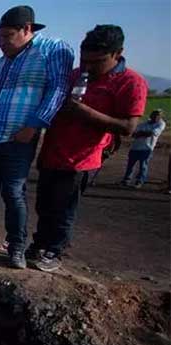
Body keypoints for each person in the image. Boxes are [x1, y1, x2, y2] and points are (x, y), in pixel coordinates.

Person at [28, 25, 147, 272]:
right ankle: (40, 243)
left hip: (81, 158)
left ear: (117, 54)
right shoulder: (74, 76)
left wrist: (86, 113)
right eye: (85, 60)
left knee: (64, 206)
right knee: (45, 203)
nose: (89, 66)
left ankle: (54, 250)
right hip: (53, 150)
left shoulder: (130, 83)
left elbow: (128, 127)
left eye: (97, 61)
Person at [0, 5, 74, 269]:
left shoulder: (52, 50)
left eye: (8, 36)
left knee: (13, 193)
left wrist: (35, 124)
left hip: (17, 138)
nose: (1, 43)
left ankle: (16, 248)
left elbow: (58, 89)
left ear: (27, 29)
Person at [121, 109, 166, 188]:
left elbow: (152, 133)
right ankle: (126, 180)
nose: (155, 116)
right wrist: (143, 133)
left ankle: (139, 181)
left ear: (161, 117)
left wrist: (140, 133)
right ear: (151, 115)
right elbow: (133, 133)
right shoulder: (144, 123)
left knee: (143, 166)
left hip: (147, 148)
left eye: (158, 115)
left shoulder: (161, 124)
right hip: (135, 147)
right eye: (154, 114)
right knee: (130, 165)